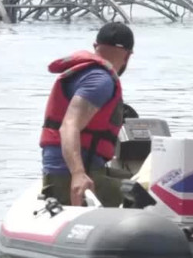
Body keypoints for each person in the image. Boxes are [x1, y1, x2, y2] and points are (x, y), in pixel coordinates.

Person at [39, 22, 134, 207]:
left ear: (95, 47)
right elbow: (69, 125)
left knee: (142, 180)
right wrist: (78, 174)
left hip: (66, 172)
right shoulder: (101, 81)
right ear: (128, 56)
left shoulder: (85, 72)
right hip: (69, 178)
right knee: (153, 193)